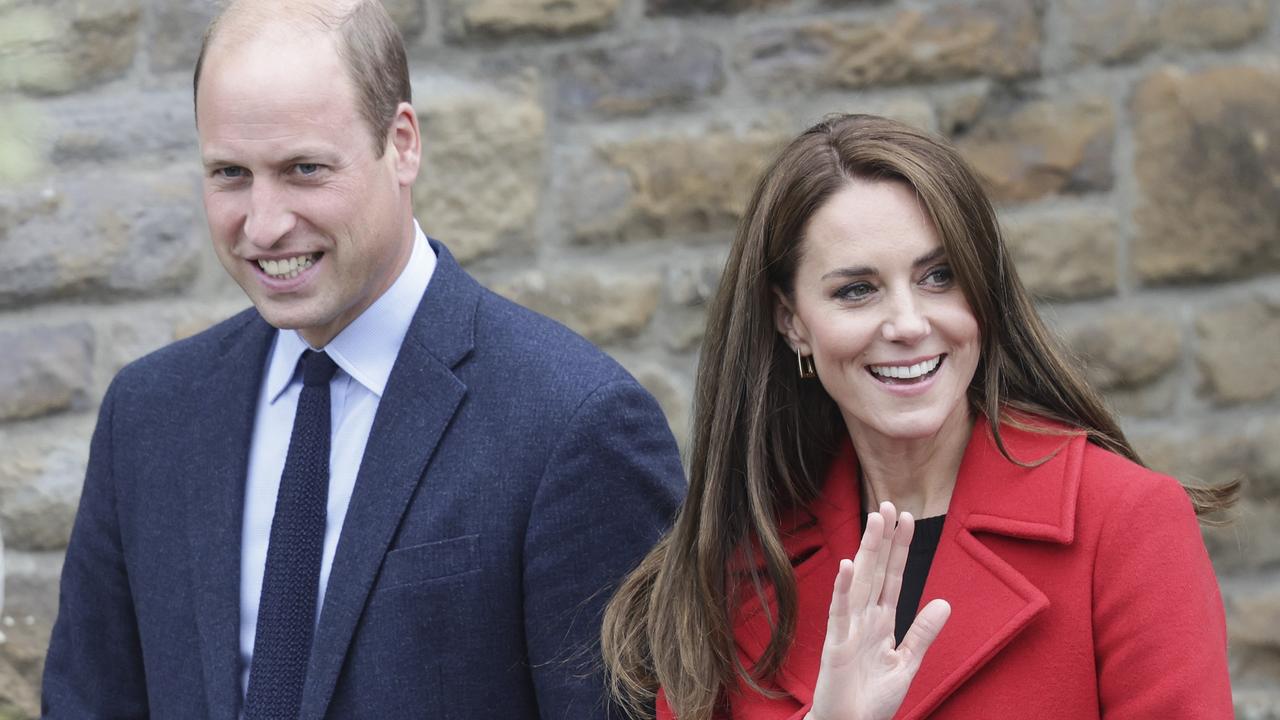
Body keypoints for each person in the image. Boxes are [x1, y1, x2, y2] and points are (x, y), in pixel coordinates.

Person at [42, 1, 685, 717]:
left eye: (305, 169)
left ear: (402, 143)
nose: (263, 223)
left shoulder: (574, 424)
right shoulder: (148, 414)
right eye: (229, 173)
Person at [602, 114, 1237, 720]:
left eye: (939, 276)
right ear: (792, 321)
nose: (908, 324)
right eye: (857, 289)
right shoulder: (738, 567)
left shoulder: (1123, 522)